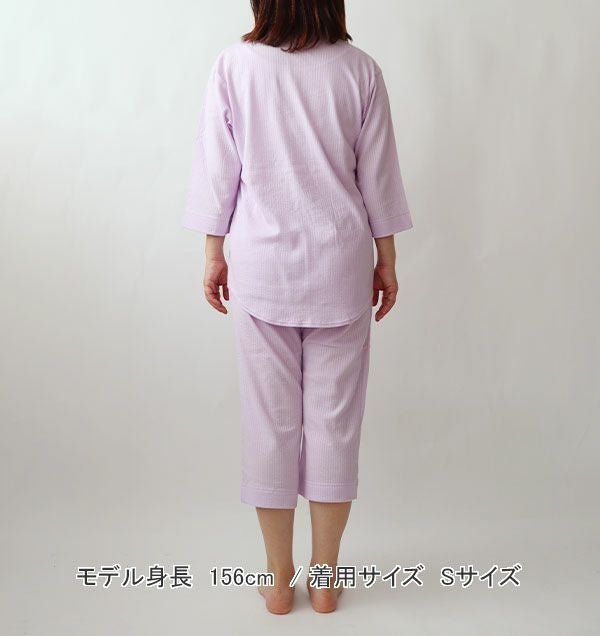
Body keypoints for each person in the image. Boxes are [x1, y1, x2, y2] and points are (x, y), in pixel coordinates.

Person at [182, 0, 414, 615]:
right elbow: (378, 175)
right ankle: (326, 577)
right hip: (341, 267)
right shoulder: (359, 70)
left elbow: (219, 170)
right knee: (336, 424)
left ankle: (279, 577)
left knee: (269, 424)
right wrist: (386, 259)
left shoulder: (234, 66)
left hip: (261, 269)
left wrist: (213, 252)